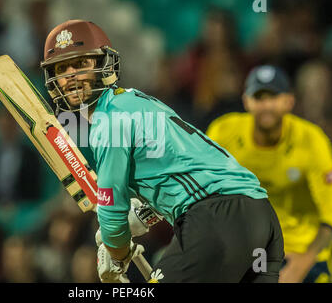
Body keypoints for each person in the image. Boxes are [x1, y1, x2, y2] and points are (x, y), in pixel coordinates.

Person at [39, 20, 284, 283]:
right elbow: (176, 172)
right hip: (262, 220)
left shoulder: (109, 120)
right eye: (62, 68)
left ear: (102, 64)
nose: (71, 74)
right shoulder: (137, 102)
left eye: (81, 64)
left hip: (215, 219)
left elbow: (111, 214)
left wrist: (116, 251)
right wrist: (141, 215)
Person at [207, 65, 332, 283]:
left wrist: (301, 265)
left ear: (289, 101)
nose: (266, 106)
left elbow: (331, 217)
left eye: (273, 97)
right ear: (246, 101)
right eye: (259, 98)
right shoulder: (224, 131)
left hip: (302, 250)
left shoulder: (312, 141)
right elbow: (202, 195)